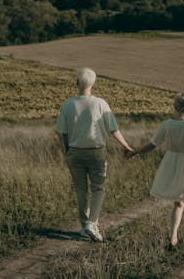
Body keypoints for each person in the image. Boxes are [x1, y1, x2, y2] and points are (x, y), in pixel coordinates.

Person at [55, 67, 133, 242]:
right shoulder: (100, 103)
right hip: (96, 152)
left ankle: (84, 227)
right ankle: (92, 223)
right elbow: (113, 129)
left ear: (76, 82)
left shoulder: (67, 104)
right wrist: (126, 146)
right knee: (98, 188)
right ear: (93, 83)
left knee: (81, 191)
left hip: (75, 152)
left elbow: (63, 132)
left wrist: (68, 151)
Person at [127, 94, 184, 249]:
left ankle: (173, 237)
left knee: (178, 204)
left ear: (174, 107)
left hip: (171, 164)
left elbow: (152, 145)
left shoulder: (167, 125)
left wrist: (135, 152)